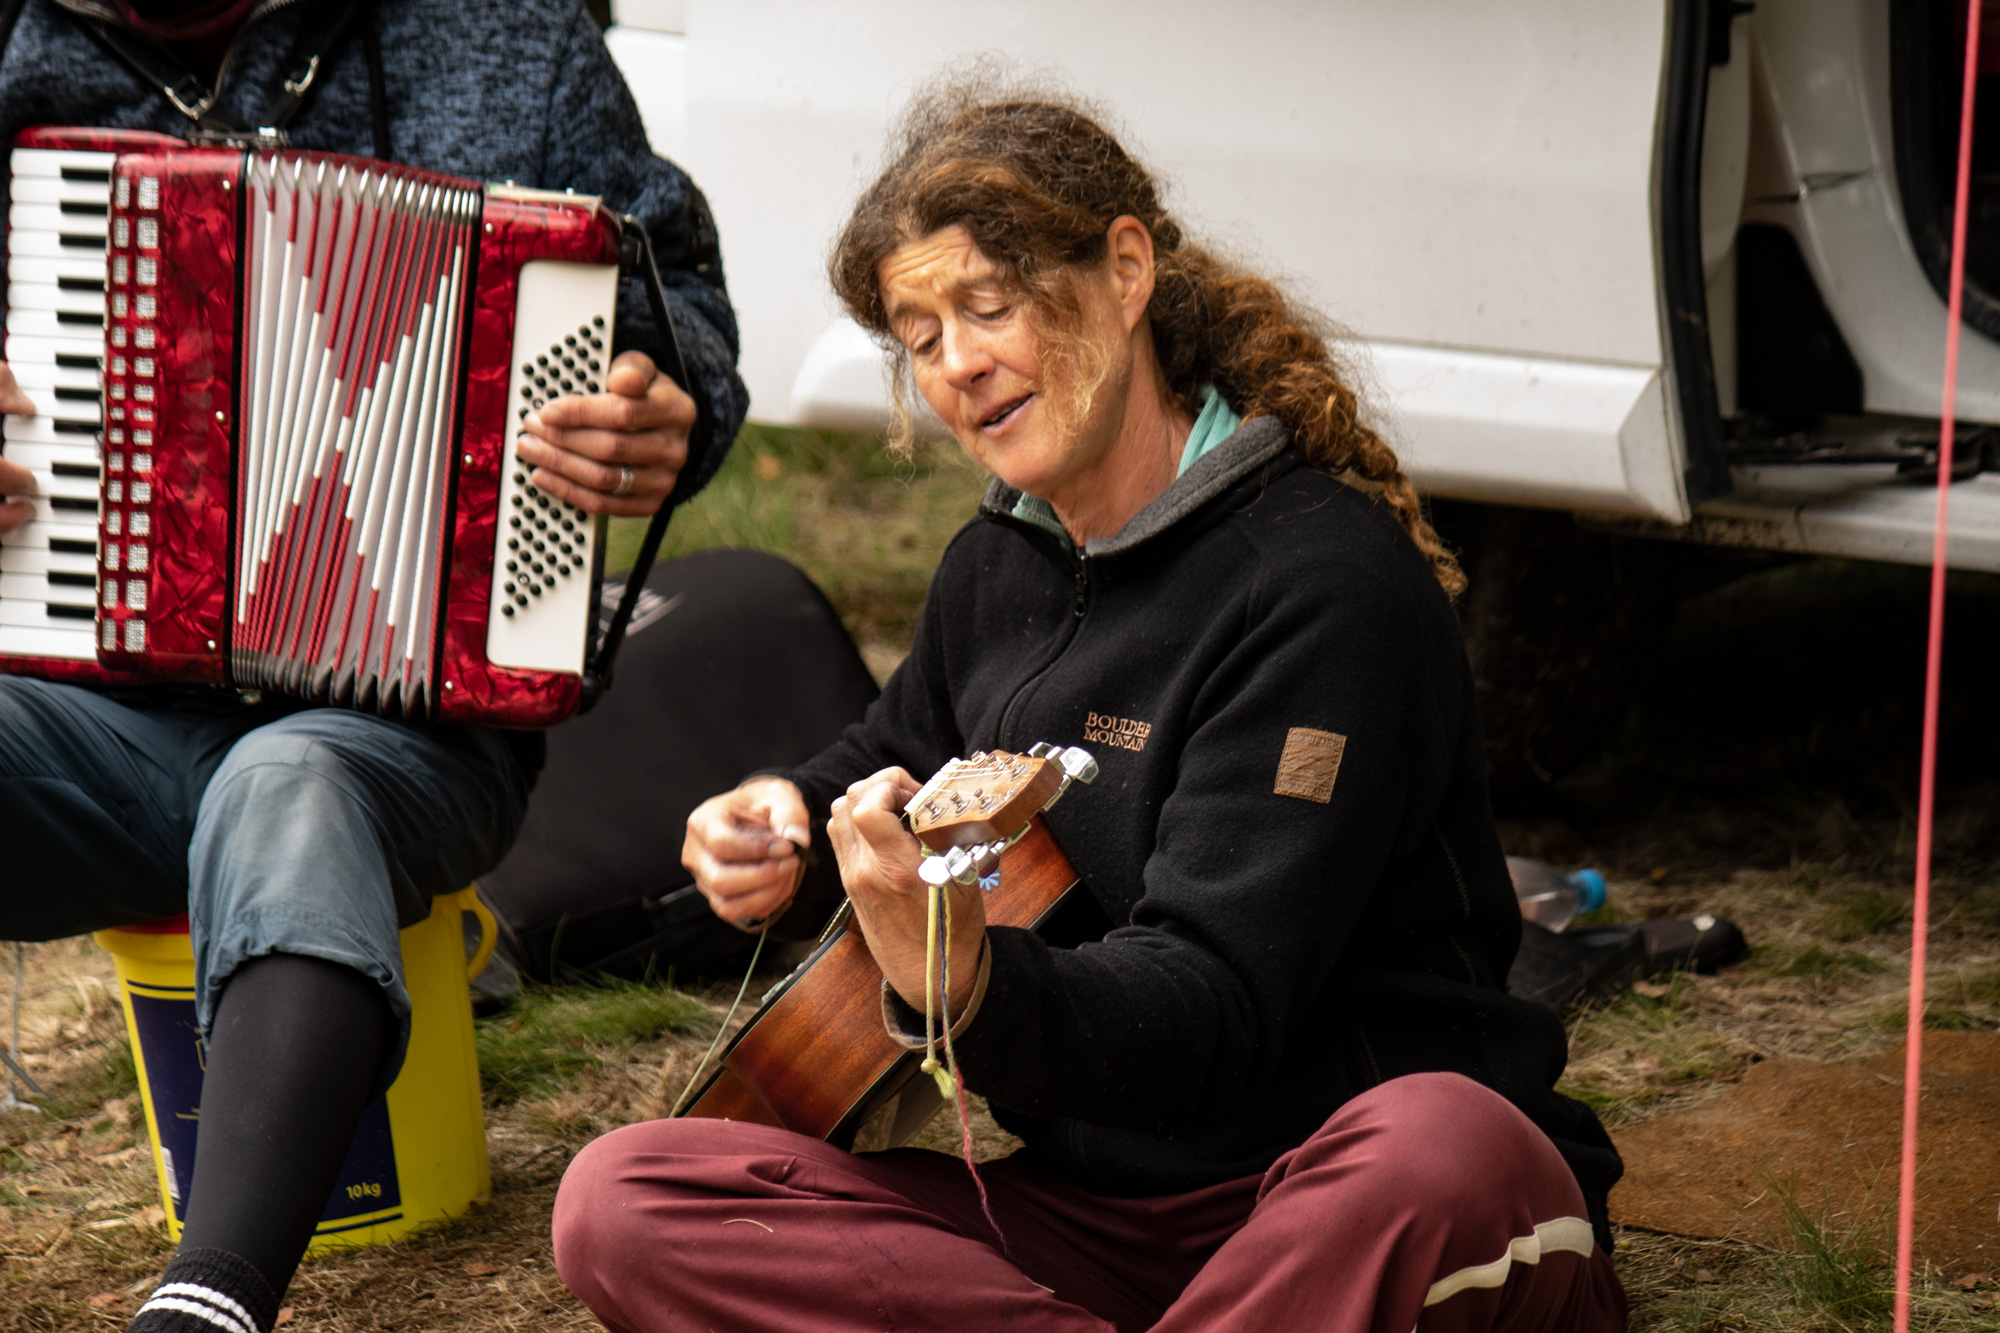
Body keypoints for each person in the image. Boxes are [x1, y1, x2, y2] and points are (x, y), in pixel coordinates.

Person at [553, 85, 1629, 1333]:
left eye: (987, 305)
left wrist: (957, 984)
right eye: (917, 333)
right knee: (626, 1196)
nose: (954, 363)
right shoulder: (997, 563)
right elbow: (899, 748)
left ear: (1125, 270)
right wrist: (785, 825)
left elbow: (1211, 1012)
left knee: (1449, 1149)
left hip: (1334, 1186)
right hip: (1094, 1219)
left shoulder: (1321, 589)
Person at [0, 3, 748, 1332]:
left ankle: (210, 1301)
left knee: (290, 783)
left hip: (404, 727)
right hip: (83, 710)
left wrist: (665, 411)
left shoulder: (506, 38)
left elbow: (678, 302)